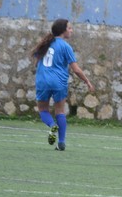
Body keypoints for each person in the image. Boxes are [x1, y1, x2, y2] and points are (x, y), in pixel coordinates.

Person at [32, 18, 94, 151]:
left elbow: (36, 62)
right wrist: (87, 81)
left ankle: (52, 125)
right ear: (63, 31)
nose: (71, 30)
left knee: (43, 110)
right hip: (59, 82)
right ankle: (61, 143)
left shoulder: (45, 43)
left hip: (43, 81)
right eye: (69, 28)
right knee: (60, 111)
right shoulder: (66, 47)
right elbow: (76, 69)